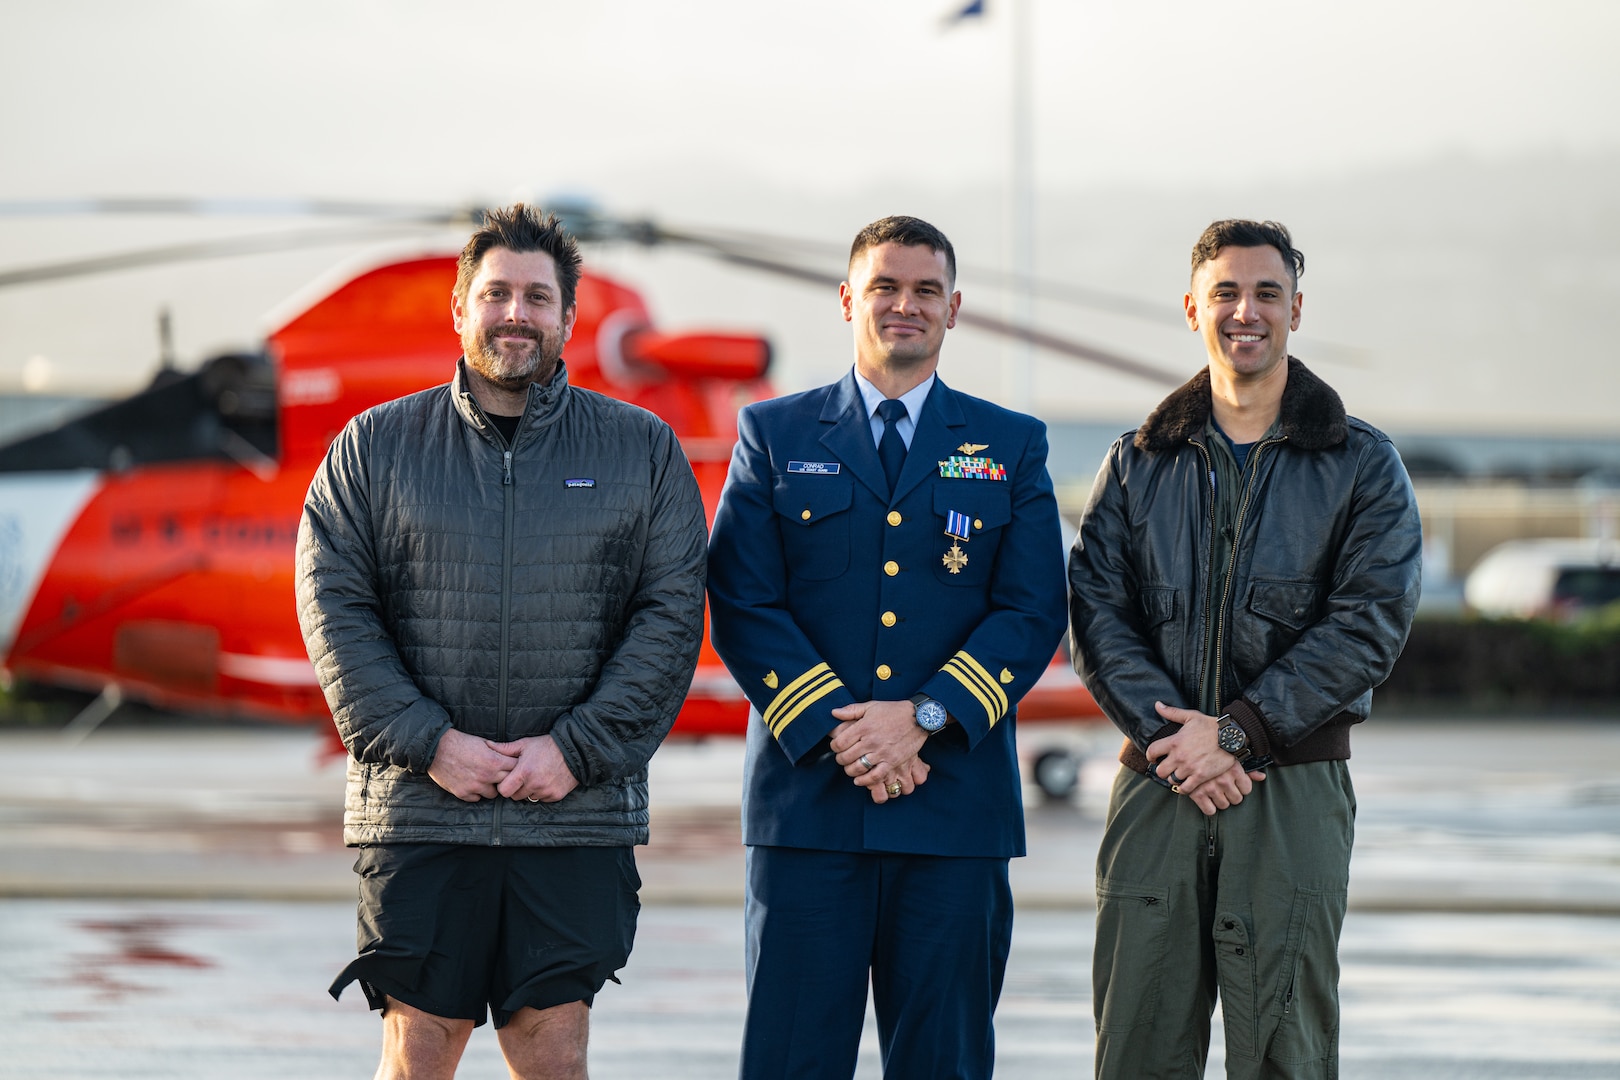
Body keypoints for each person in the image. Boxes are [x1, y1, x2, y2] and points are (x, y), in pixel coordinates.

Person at [295, 204, 708, 1080]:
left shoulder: (644, 450)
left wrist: (576, 751)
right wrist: (429, 744)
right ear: (459, 310)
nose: (514, 313)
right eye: (495, 295)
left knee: (553, 1050)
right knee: (417, 1051)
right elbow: (334, 614)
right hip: (417, 806)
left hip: (573, 812)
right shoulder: (373, 448)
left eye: (536, 297)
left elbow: (670, 618)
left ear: (566, 315)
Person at [707, 215, 1069, 1079]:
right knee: (793, 1060)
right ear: (847, 300)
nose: (904, 306)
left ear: (954, 309)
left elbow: (1032, 609)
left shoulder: (1011, 444)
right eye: (884, 287)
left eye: (924, 291)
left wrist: (924, 719)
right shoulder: (774, 436)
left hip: (952, 816)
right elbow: (743, 601)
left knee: (943, 1061)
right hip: (809, 815)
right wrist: (852, 733)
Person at [1067, 219, 1422, 1078]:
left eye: (1267, 292)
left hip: (1292, 787)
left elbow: (1369, 620)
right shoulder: (1136, 463)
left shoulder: (1362, 465)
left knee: (1284, 1047)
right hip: (1158, 783)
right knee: (1137, 1045)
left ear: (1297, 309)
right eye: (1226, 292)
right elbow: (1097, 615)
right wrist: (1178, 744)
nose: (1246, 311)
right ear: (1193, 307)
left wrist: (1237, 732)